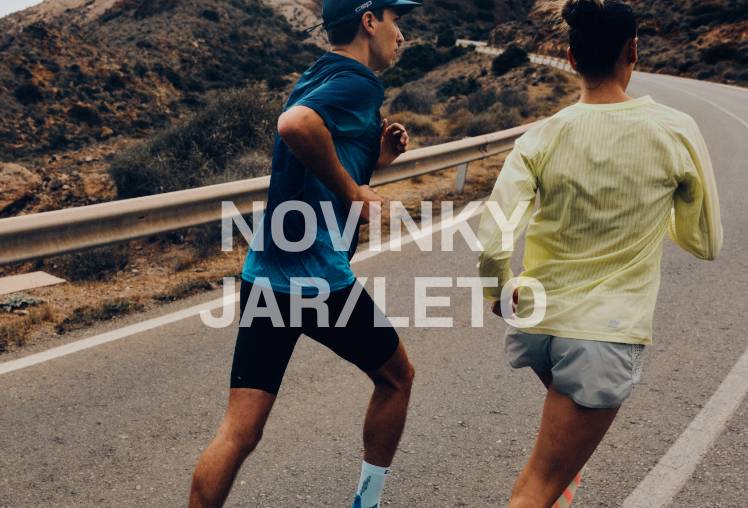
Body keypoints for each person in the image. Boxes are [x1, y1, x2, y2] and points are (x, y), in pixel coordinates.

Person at [477, 0, 723, 506]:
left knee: (554, 473)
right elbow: (706, 242)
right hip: (601, 336)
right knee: (538, 488)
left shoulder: (541, 136)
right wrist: (655, 212)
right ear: (633, 50)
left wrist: (498, 292)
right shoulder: (674, 129)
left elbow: (494, 237)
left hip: (538, 323)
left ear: (570, 58)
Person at [188, 1, 422, 507]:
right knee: (397, 379)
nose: (401, 34)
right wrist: (354, 192)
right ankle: (366, 503)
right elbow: (295, 126)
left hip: (265, 273)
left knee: (239, 431)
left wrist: (375, 158)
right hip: (316, 278)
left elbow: (313, 152)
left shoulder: (316, 75)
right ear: (369, 22)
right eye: (395, 19)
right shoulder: (359, 83)